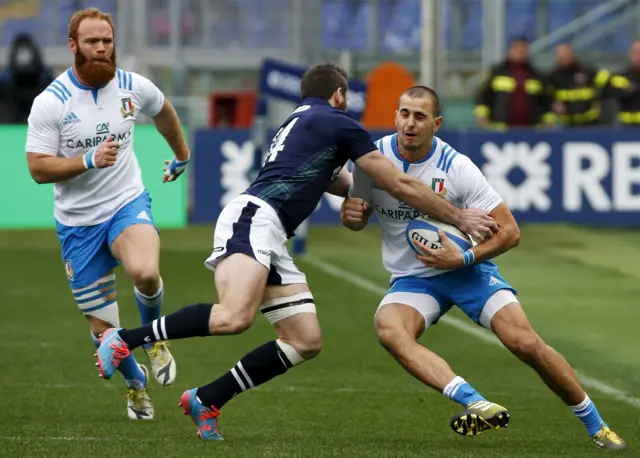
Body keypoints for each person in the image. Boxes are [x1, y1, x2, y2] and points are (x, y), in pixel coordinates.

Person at [94, 63, 497, 440]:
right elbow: (398, 183)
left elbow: (343, 181)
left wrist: (362, 198)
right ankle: (124, 338)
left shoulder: (301, 120)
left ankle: (207, 399)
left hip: (270, 229)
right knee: (234, 316)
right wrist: (459, 217)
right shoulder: (336, 121)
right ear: (340, 95)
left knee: (304, 340)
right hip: (255, 218)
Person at [341, 85, 626, 451]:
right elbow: (356, 217)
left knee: (524, 343)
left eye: (420, 116)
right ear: (396, 115)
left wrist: (462, 258)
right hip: (414, 278)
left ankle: (596, 425)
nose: (410, 123)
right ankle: (476, 402)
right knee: (389, 330)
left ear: (437, 123)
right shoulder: (373, 157)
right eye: (404, 113)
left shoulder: (456, 167)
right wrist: (352, 216)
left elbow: (510, 232)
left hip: (468, 271)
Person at [25, 8, 187, 420]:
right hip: (78, 224)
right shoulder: (51, 102)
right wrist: (88, 160)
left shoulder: (133, 87)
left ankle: (153, 339)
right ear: (73, 45)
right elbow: (38, 168)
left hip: (125, 203)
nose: (101, 48)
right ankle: (136, 386)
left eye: (107, 41)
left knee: (146, 272)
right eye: (93, 41)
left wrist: (181, 155)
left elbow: (164, 110)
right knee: (103, 333)